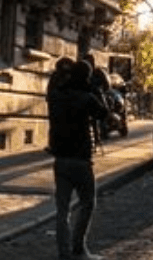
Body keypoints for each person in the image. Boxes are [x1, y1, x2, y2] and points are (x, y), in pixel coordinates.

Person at [48, 59, 108, 260]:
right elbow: (103, 113)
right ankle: (79, 247)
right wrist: (97, 91)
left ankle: (63, 253)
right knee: (88, 202)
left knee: (62, 209)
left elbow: (52, 93)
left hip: (60, 158)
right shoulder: (87, 97)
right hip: (81, 159)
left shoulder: (56, 96)